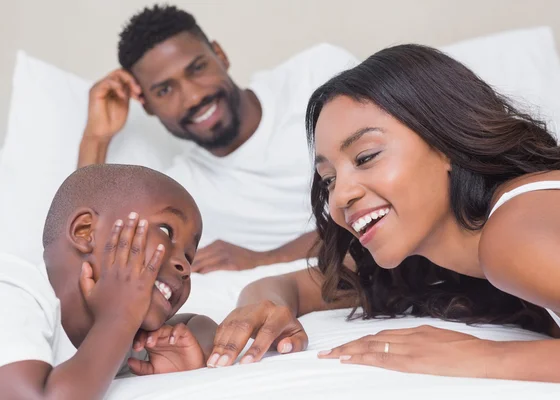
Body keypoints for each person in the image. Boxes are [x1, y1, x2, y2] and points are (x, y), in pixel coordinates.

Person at [207, 44, 560, 387]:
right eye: (328, 179)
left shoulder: (514, 234)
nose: (341, 195)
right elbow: (295, 285)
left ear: (444, 140)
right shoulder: (443, 257)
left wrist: (483, 358)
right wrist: (263, 305)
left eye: (366, 157)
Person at [78, 4, 358, 273]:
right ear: (148, 106)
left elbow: (390, 181)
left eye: (197, 68)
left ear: (220, 55)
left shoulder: (317, 75)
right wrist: (95, 138)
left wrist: (267, 258)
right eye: (165, 90)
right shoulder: (181, 191)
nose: (193, 97)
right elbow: (86, 252)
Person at [0, 164, 218, 399]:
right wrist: (117, 317)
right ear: (85, 231)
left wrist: (184, 350)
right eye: (166, 231)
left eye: (189, 256)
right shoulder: (13, 290)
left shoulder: (121, 335)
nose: (185, 267)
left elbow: (198, 324)